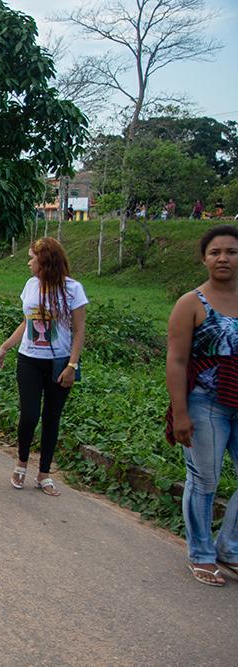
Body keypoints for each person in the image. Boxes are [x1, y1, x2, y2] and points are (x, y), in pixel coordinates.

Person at [165, 224, 238, 587]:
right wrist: (180, 413)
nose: (223, 258)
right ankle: (202, 553)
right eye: (215, 252)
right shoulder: (191, 303)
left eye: (231, 252)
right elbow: (176, 361)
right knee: (204, 479)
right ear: (204, 259)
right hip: (205, 403)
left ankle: (231, 547)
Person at [0, 237, 87, 497]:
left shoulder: (73, 289)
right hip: (29, 360)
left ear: (44, 261)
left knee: (51, 417)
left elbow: (79, 331)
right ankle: (21, 462)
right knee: (30, 414)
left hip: (60, 363)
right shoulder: (30, 286)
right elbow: (26, 323)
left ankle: (44, 473)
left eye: (32, 257)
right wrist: (4, 347)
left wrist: (72, 365)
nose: (28, 262)